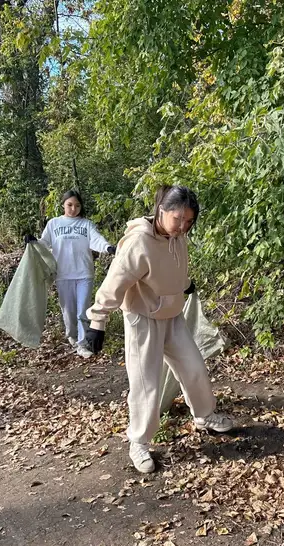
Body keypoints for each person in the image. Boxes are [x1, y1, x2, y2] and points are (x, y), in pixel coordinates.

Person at [83, 185, 233, 474]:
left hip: (172, 315)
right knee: (146, 383)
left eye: (189, 221)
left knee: (194, 368)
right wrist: (97, 322)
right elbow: (115, 282)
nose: (183, 226)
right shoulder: (139, 242)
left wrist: (183, 284)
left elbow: (172, 267)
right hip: (143, 319)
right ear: (161, 211)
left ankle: (204, 415)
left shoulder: (178, 238)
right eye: (178, 219)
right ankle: (138, 442)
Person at [29, 190, 115, 359]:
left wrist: (108, 248)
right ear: (63, 205)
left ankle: (82, 344)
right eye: (69, 205)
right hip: (63, 274)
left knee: (82, 310)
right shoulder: (54, 224)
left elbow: (96, 239)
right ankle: (72, 335)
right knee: (68, 310)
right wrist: (33, 241)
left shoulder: (86, 224)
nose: (73, 208)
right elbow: (44, 243)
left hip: (84, 273)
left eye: (77, 205)